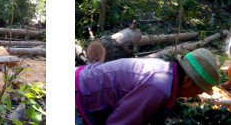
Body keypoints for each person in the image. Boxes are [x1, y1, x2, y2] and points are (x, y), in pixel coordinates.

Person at [75, 48, 222, 125]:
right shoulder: (158, 87)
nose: (194, 96)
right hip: (77, 99)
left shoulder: (167, 72)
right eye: (198, 90)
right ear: (188, 80)